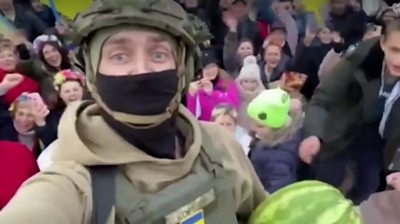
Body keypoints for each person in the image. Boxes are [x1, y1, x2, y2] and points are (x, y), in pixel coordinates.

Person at [0, 0, 266, 223]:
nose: (141, 69)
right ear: (93, 73)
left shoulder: (219, 146)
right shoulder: (72, 188)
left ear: (182, 68)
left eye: (159, 54)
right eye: (119, 56)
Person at [299, 19, 400, 204]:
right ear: (383, 43)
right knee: (325, 184)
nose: (399, 61)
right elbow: (324, 98)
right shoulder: (359, 60)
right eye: (395, 50)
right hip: (343, 128)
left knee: (367, 187)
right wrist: (314, 134)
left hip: (383, 141)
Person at [247, 88, 303, 193]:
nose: (253, 128)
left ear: (277, 128)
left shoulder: (279, 156)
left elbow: (280, 190)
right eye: (252, 121)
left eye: (260, 126)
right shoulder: (264, 139)